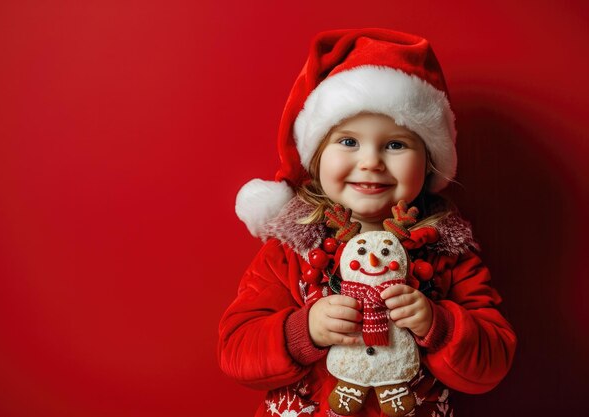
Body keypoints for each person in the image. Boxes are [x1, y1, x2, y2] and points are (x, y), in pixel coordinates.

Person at [218, 28, 516, 417]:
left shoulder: (448, 254)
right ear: (316, 157)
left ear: (428, 162)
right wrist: (302, 331)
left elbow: (492, 361)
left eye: (395, 144)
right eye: (348, 141)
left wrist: (438, 325)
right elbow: (236, 351)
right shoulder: (292, 251)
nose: (371, 161)